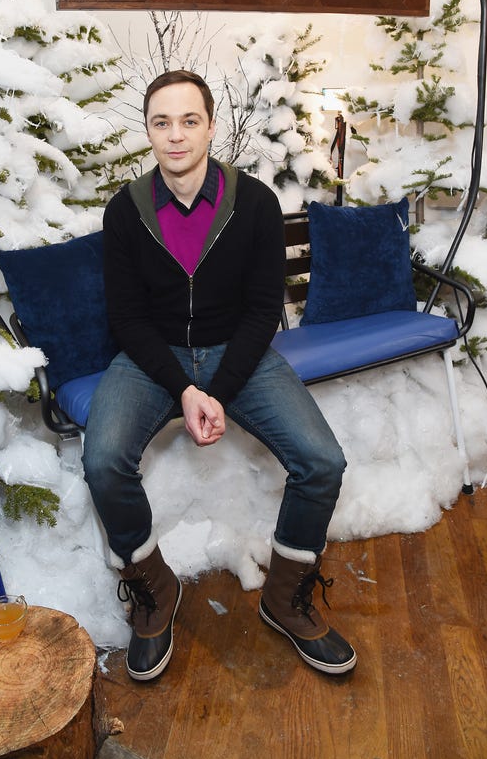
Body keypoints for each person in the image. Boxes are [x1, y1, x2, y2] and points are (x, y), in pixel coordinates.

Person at [82, 69, 355, 681]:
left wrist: (219, 392)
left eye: (189, 120)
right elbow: (126, 318)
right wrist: (183, 389)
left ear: (210, 126)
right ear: (148, 131)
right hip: (154, 357)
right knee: (102, 460)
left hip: (239, 352)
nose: (175, 135)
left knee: (322, 462)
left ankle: (284, 599)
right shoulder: (125, 211)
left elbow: (263, 310)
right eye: (161, 122)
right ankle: (154, 590)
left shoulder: (253, 202)